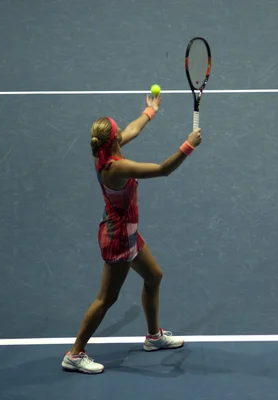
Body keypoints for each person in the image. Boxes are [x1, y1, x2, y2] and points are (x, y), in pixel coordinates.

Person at [61, 94, 202, 374]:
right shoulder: (117, 167)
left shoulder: (105, 152)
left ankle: (153, 337)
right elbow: (162, 170)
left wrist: (149, 111)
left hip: (126, 231)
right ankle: (75, 353)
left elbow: (133, 129)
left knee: (154, 276)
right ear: (113, 140)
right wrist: (188, 146)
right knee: (106, 298)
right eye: (118, 131)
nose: (122, 132)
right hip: (119, 239)